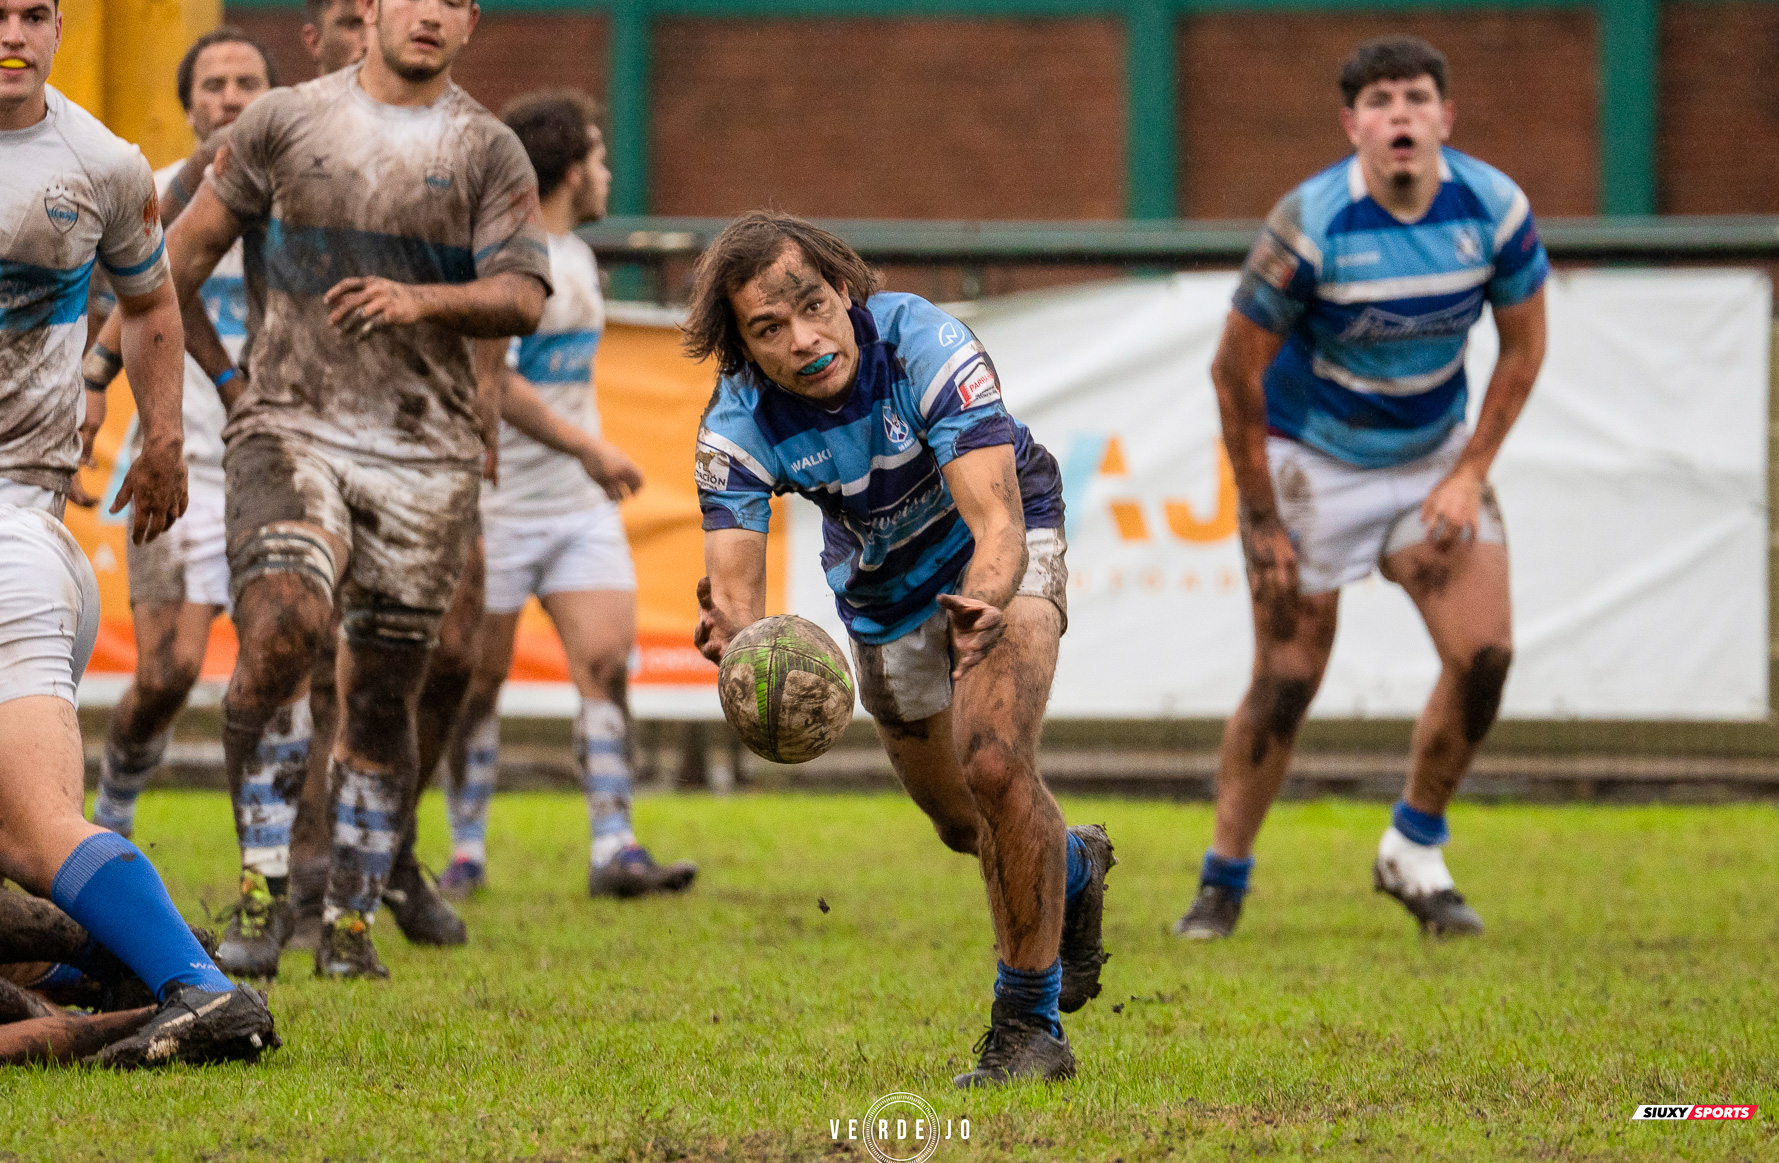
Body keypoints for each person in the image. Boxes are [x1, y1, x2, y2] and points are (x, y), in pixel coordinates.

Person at [164, 0, 551, 979]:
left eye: (452, 1)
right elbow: (172, 263)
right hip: (289, 429)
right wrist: (217, 384)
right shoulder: (283, 121)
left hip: (427, 453)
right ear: (370, 13)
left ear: (470, 23)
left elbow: (522, 295)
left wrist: (421, 298)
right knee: (284, 627)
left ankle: (351, 919)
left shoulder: (488, 147)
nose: (428, 14)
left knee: (382, 701)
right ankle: (260, 892)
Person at [686, 212, 1113, 1088]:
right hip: (879, 591)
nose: (803, 339)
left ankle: (1027, 1028)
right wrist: (733, 643)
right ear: (741, 345)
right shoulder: (735, 423)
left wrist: (988, 600)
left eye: (812, 305)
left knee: (994, 765)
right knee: (965, 824)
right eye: (769, 327)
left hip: (996, 551)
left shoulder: (924, 344)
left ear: (844, 288)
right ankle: (1072, 859)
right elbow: (736, 598)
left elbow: (996, 524)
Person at [1175, 36, 1548, 942]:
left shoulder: (1494, 210)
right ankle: (1223, 879)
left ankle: (1413, 847)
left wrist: (1468, 474)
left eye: (1417, 98)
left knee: (1487, 656)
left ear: (1445, 117)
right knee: (1289, 678)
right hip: (1313, 462)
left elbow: (1525, 349)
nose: (1401, 116)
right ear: (1353, 126)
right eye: (1379, 102)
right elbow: (1234, 375)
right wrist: (1262, 518)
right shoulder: (1309, 224)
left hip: (1429, 459)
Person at [0, 0, 277, 1064]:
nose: (14, 32)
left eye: (34, 13)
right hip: (38, 554)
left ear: (62, 27)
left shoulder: (101, 162)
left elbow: (154, 302)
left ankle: (191, 983)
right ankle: (112, 965)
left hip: (18, 537)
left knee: (32, 832)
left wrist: (163, 439)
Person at [438, 90, 697, 901]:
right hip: (498, 504)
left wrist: (585, 456)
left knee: (606, 664)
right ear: (568, 169)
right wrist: (589, 445)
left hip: (576, 511)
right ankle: (465, 850)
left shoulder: (578, 256)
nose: (607, 171)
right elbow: (499, 384)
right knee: (476, 680)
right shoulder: (506, 258)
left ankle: (615, 845)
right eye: (597, 154)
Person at [85, 27, 277, 840]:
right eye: (214, 84)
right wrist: (226, 379)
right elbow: (121, 310)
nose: (231, 98)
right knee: (168, 672)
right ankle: (114, 811)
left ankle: (271, 867)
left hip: (279, 466)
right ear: (189, 102)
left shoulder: (299, 193)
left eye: (247, 82)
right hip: (182, 456)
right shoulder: (153, 191)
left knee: (283, 664)